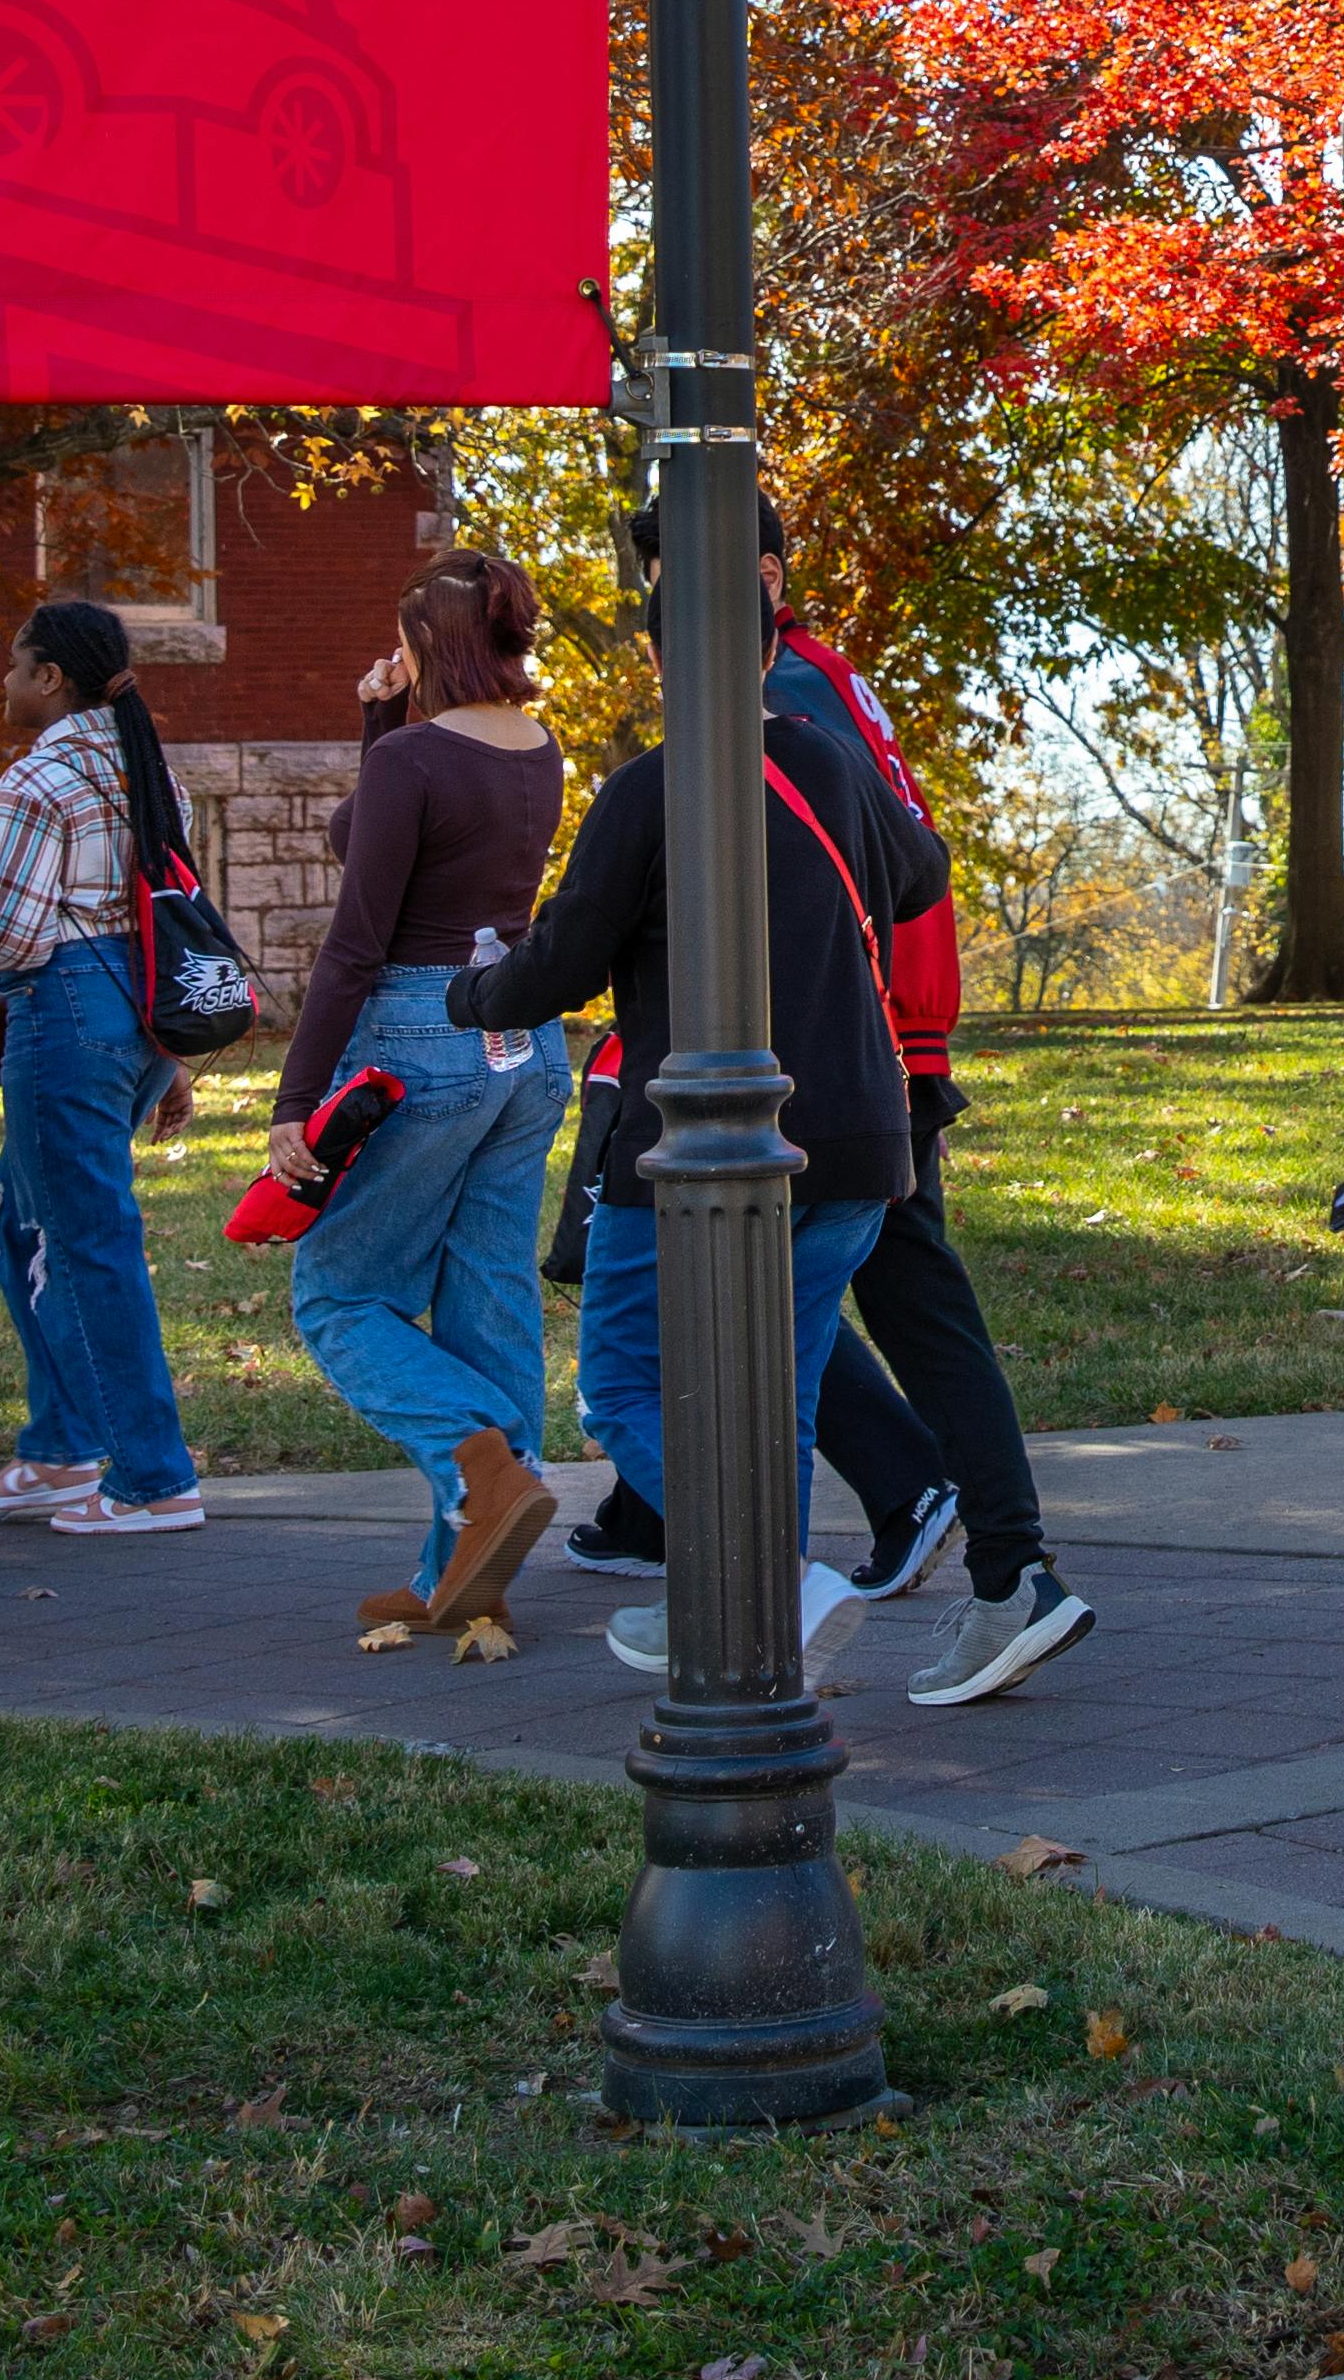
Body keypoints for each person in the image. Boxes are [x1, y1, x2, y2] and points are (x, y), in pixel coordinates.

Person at [442, 506, 945, 1688]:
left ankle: (756, 1582)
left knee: (621, 1378)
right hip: (859, 1133)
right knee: (782, 1394)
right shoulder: (826, 757)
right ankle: (756, 1608)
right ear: (770, 647)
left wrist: (470, 996)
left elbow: (554, 967)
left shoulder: (651, 792)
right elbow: (919, 873)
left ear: (661, 657)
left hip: (692, 1150)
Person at [746, 512, 1100, 1710]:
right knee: (899, 1297)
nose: (662, 621)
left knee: (784, 1298)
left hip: (857, 1043)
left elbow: (888, 867)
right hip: (886, 1033)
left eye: (680, 579)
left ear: (764, 576)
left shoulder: (788, 694)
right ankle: (987, 1551)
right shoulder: (825, 677)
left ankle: (974, 1567)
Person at [269, 547, 573, 1640]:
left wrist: (291, 1102)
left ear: (426, 645)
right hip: (524, 1044)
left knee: (341, 1297)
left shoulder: (415, 762)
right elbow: (373, 846)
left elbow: (356, 937)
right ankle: (468, 1565)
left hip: (416, 1031)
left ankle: (480, 1468)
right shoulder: (538, 748)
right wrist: (382, 729)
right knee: (489, 1297)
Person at [0, 599, 211, 1536]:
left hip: (63, 1011)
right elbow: (170, 910)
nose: (5, 683)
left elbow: (8, 934)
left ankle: (150, 1477)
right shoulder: (151, 772)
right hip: (138, 1011)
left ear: (50, 677)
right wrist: (169, 1056)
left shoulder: (36, 781)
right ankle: (61, 1447)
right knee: (26, 1220)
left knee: (86, 1239)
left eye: (16, 666)